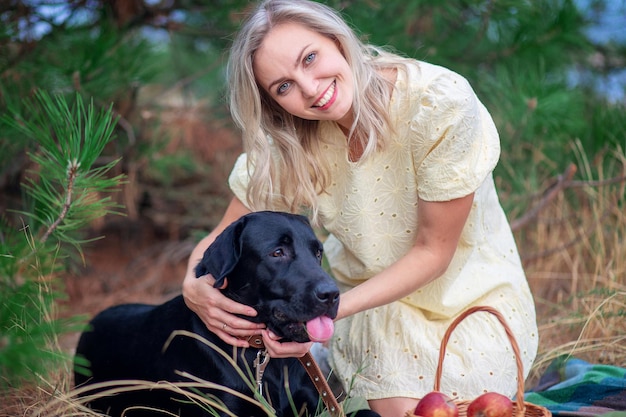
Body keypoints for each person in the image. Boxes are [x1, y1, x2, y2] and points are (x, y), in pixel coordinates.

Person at [182, 1, 539, 416]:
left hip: (466, 301)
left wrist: (322, 312)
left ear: (336, 39)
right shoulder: (291, 141)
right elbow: (221, 236)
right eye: (283, 86)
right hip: (367, 309)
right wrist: (193, 286)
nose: (311, 89)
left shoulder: (438, 104)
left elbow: (433, 253)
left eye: (310, 58)